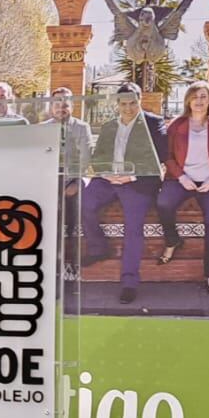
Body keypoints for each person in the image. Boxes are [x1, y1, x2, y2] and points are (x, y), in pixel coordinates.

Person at [81, 84, 166, 304]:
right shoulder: (109, 126)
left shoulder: (154, 123)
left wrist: (131, 176)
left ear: (140, 100)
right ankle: (98, 248)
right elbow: (98, 157)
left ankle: (129, 282)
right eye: (123, 104)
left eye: (132, 103)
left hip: (137, 182)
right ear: (117, 104)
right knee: (84, 202)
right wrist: (107, 174)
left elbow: (159, 159)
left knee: (133, 227)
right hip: (109, 180)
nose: (128, 108)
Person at [158, 81, 209, 296]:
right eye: (195, 97)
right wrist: (181, 177)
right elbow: (168, 155)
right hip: (181, 179)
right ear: (188, 100)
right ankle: (173, 240)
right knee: (163, 204)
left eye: (204, 96)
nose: (199, 101)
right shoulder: (177, 124)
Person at [48, 87, 92, 266]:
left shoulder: (82, 127)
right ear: (51, 107)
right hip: (50, 180)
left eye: (65, 104)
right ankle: (52, 262)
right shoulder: (44, 128)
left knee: (73, 205)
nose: (61, 108)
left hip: (73, 178)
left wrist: (73, 180)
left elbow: (86, 158)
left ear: (72, 106)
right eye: (57, 104)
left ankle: (73, 262)